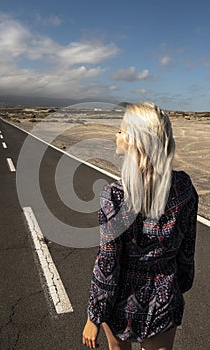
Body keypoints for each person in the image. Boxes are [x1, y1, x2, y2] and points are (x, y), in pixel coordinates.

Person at [82, 102, 198, 350]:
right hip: (164, 295)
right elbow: (187, 249)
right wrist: (180, 284)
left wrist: (95, 314)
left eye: (121, 130)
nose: (117, 134)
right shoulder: (184, 188)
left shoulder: (114, 196)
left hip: (120, 299)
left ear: (136, 140)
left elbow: (108, 263)